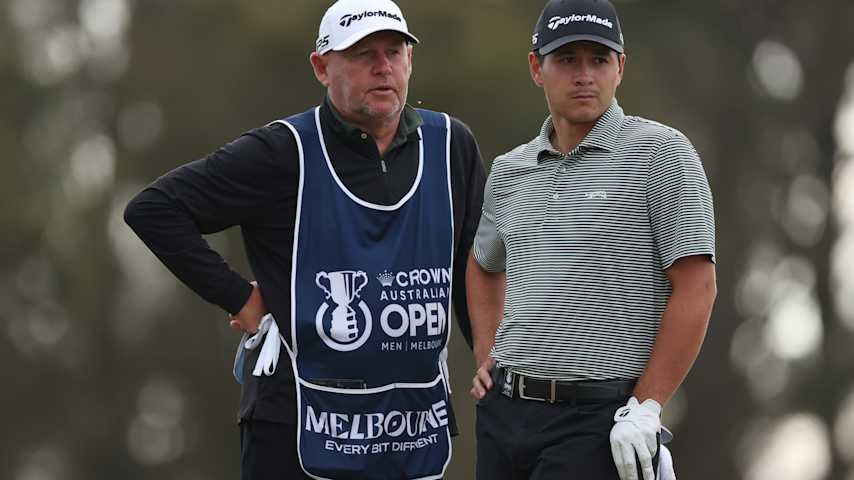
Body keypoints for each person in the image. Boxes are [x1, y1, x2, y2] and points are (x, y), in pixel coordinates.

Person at [124, 0, 486, 478]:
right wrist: (241, 300)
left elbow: (475, 262)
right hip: (293, 423)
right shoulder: (282, 152)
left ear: (410, 61)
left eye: (394, 51)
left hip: (411, 427)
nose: (383, 67)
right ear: (321, 67)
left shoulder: (450, 145)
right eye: (362, 54)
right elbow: (154, 209)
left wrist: (487, 351)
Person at [466, 0, 716, 479]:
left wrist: (647, 405)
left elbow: (696, 286)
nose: (585, 75)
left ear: (620, 67)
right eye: (567, 60)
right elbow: (483, 264)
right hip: (506, 415)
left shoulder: (659, 153)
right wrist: (486, 352)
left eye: (599, 60)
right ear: (537, 67)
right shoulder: (510, 169)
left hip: (600, 420)